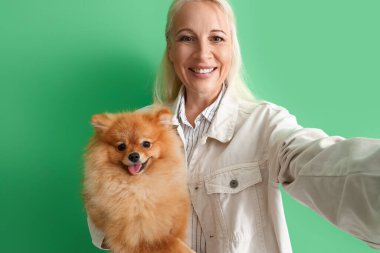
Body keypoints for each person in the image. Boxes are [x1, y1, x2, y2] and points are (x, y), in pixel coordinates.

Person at [87, 0, 380, 252]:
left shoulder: (265, 125)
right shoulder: (134, 127)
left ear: (231, 48)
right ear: (170, 49)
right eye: (187, 38)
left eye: (216, 38)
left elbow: (322, 164)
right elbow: (103, 224)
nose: (203, 54)